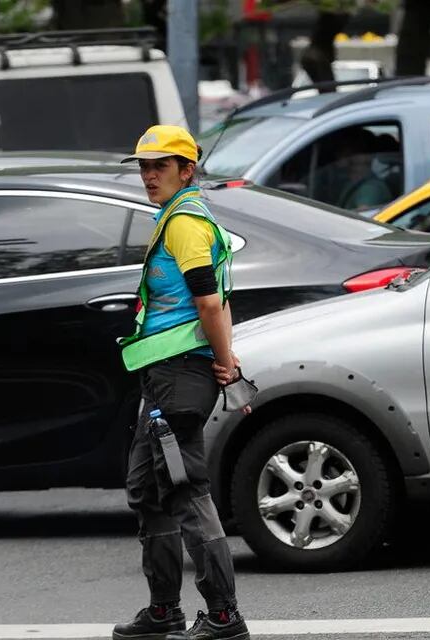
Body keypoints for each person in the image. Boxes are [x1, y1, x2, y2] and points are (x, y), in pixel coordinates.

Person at [113, 125, 251, 640]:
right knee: (147, 489)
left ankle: (222, 615)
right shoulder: (176, 216)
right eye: (145, 167)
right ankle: (164, 610)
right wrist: (225, 355)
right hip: (163, 372)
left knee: (184, 488)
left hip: (178, 374)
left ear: (187, 170)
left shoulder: (186, 223)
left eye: (160, 167)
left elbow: (209, 301)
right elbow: (220, 296)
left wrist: (226, 363)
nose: (149, 175)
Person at [335, 128, 393, 211]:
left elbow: (363, 218)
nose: (336, 154)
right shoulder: (353, 182)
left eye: (343, 149)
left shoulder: (370, 188)